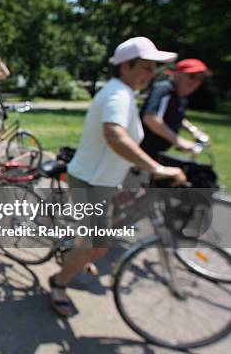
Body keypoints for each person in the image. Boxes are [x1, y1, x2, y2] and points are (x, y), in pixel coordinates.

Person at [48, 37, 187, 317]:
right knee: (95, 244)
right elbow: (114, 135)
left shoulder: (124, 93)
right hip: (90, 181)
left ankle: (77, 256)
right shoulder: (117, 94)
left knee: (98, 245)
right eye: (147, 67)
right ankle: (59, 283)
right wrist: (156, 169)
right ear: (126, 66)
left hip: (102, 182)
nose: (152, 74)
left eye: (154, 69)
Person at [140, 58, 211, 159]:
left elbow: (175, 116)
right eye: (192, 76)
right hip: (142, 152)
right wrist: (178, 141)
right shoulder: (164, 89)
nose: (196, 82)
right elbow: (150, 117)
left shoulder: (179, 96)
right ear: (177, 74)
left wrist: (194, 131)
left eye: (200, 79)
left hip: (155, 154)